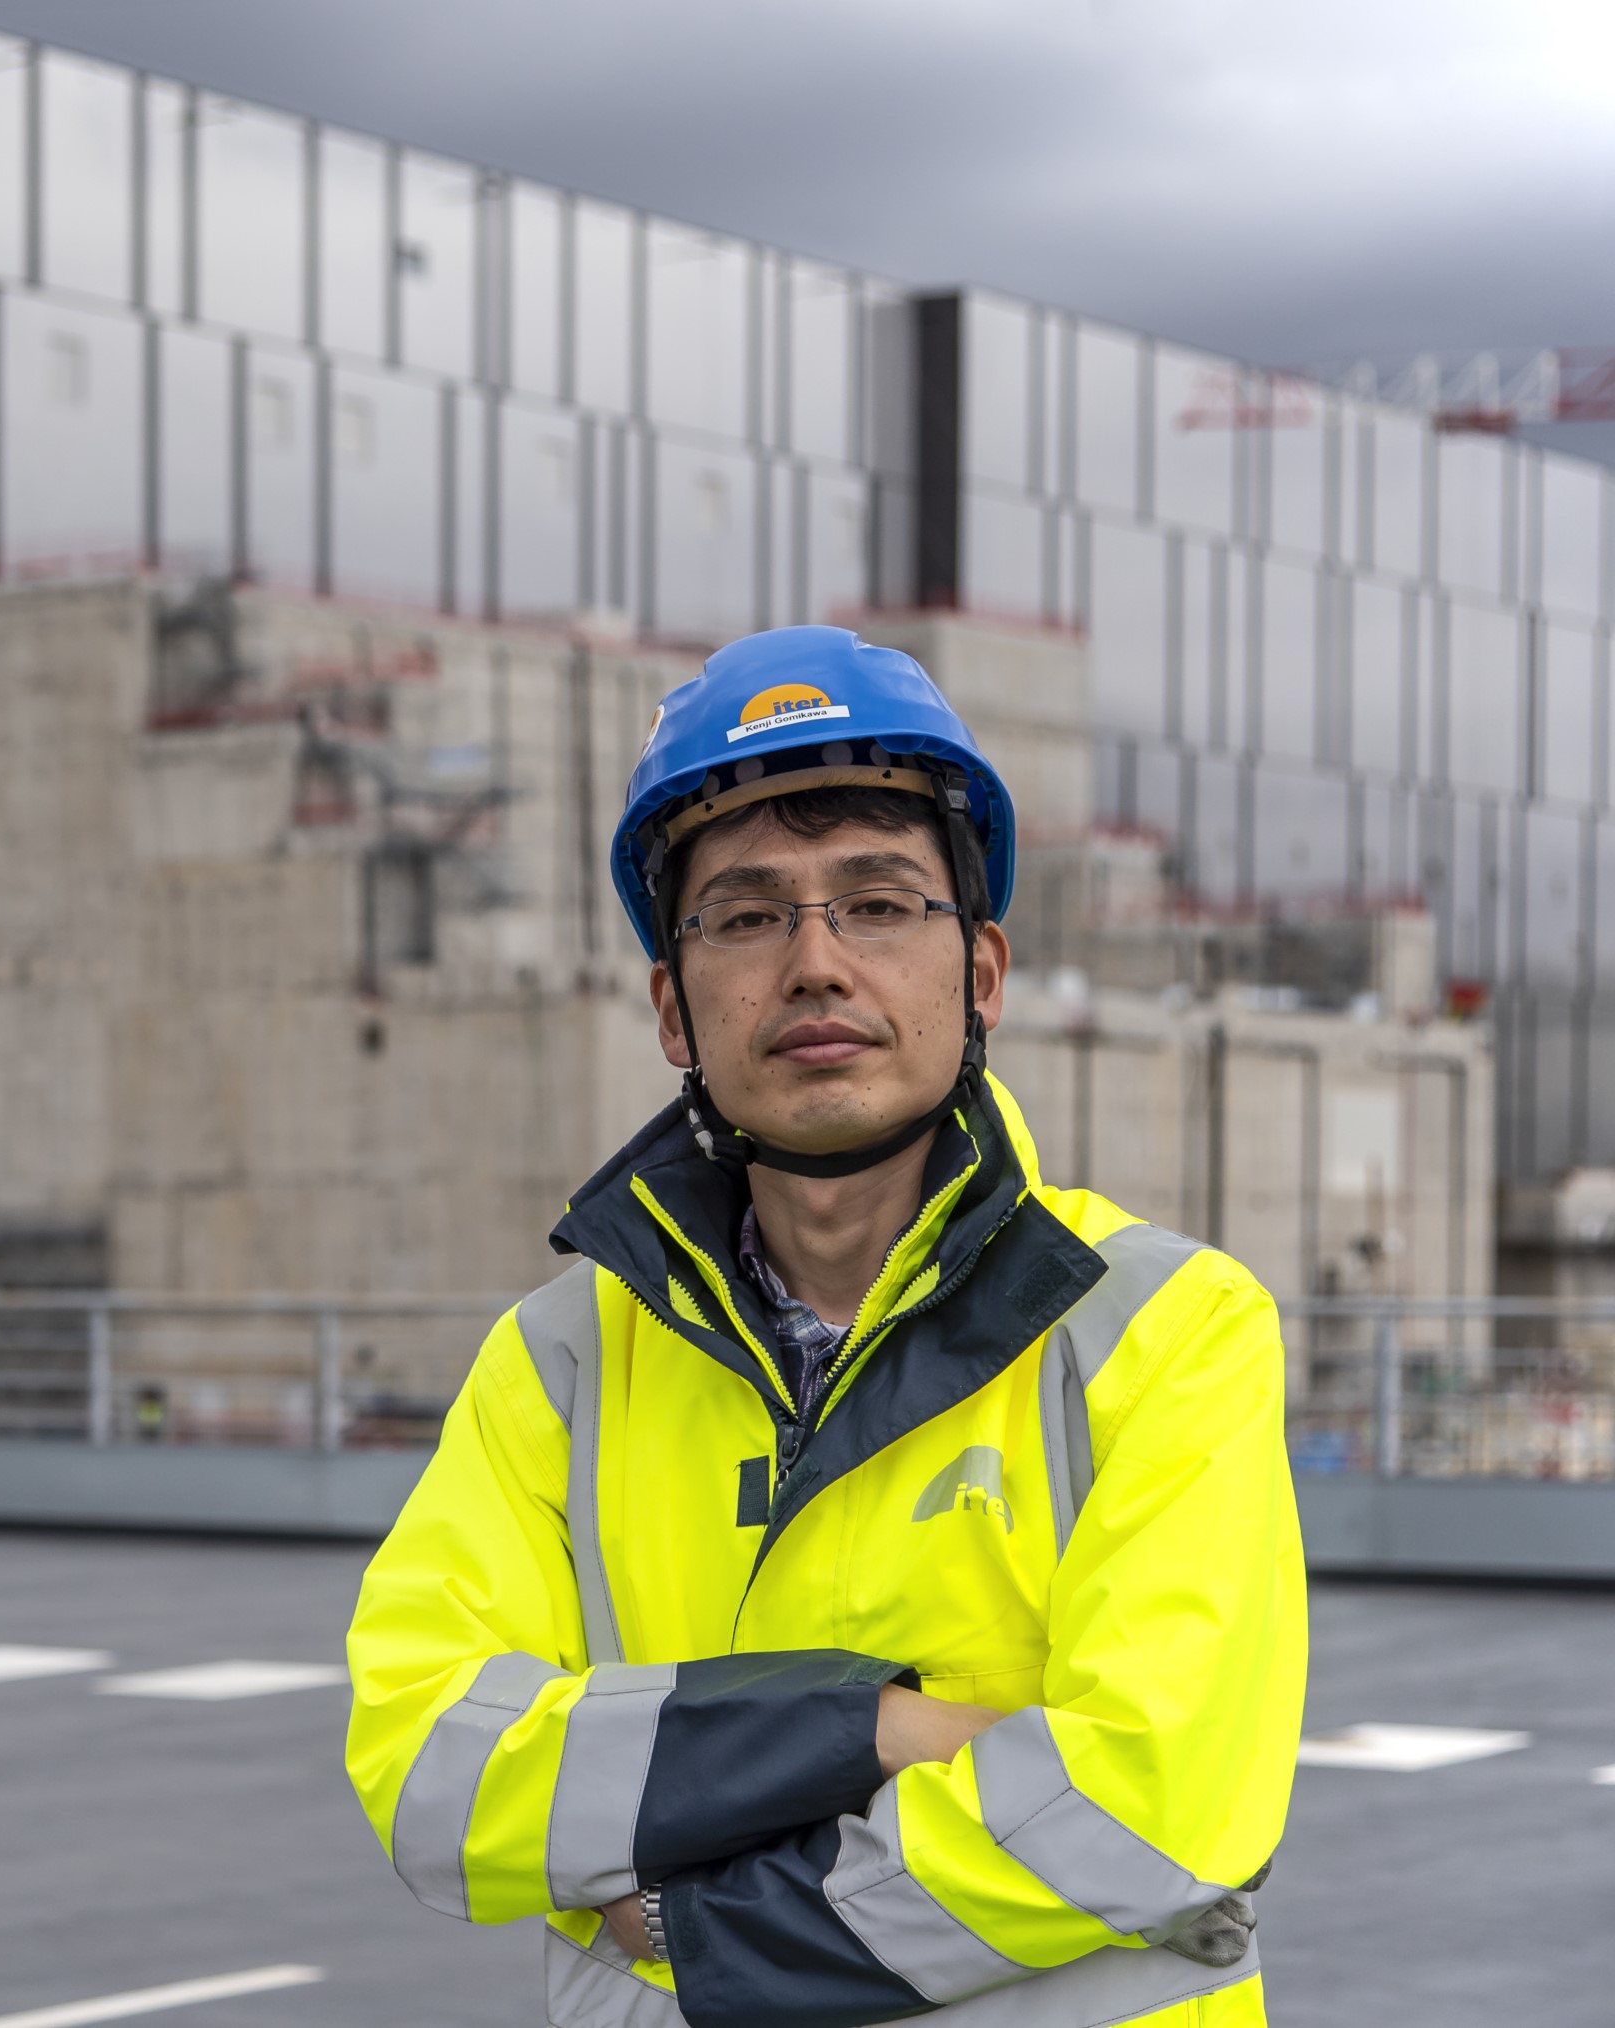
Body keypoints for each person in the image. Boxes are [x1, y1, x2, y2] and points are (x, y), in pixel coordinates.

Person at [344, 627, 1303, 2027]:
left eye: (878, 903)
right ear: (675, 1006)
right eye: (744, 914)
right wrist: (864, 1730)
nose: (813, 962)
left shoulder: (1163, 1328)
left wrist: (687, 1916)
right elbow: (430, 1769)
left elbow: (1153, 1807)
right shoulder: (557, 1366)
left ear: (980, 976)